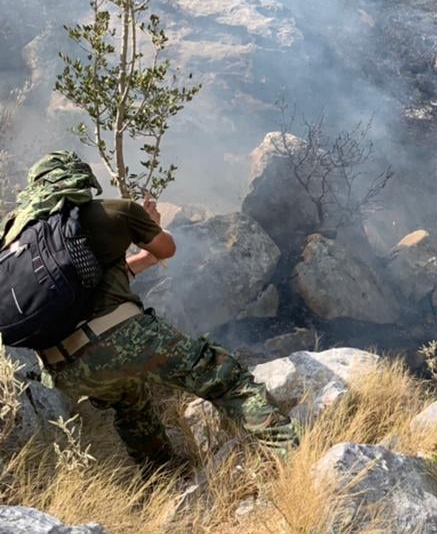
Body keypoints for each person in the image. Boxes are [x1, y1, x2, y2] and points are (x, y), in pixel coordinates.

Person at [5, 152, 297, 473]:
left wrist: (142, 259)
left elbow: (88, 283)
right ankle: (293, 457)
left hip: (62, 370)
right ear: (79, 179)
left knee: (132, 404)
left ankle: (163, 476)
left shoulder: (18, 240)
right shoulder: (113, 210)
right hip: (123, 338)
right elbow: (166, 249)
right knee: (222, 376)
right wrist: (149, 224)